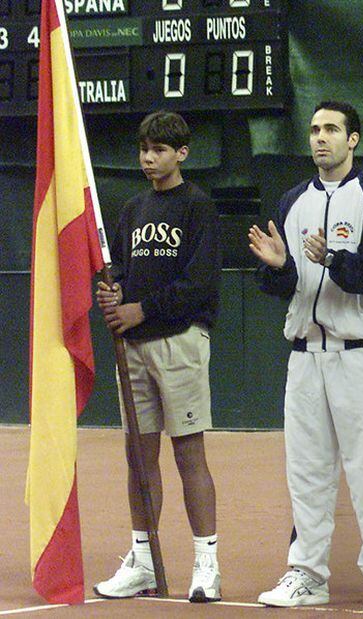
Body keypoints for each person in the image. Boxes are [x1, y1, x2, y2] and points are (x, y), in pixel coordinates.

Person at [248, 101, 363, 614]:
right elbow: (285, 284)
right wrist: (277, 268)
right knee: (307, 470)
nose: (321, 138)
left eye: (332, 129)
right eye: (315, 130)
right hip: (304, 357)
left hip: (360, 355)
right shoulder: (293, 200)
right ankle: (307, 572)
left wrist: (332, 258)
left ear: (353, 139)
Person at [94, 111, 222, 603]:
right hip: (134, 347)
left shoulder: (198, 207)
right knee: (138, 457)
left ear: (182, 153)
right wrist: (115, 292)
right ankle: (144, 560)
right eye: (144, 150)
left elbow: (199, 286)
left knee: (189, 451)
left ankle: (206, 564)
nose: (149, 159)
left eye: (160, 151)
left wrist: (139, 308)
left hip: (180, 341)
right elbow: (122, 270)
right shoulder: (131, 209)